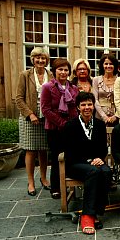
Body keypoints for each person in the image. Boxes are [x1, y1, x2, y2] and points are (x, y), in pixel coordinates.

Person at [63, 92, 111, 235]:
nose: (87, 107)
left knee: (106, 171)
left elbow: (103, 148)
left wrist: (99, 158)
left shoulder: (100, 125)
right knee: (94, 171)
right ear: (78, 107)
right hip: (76, 164)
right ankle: (87, 216)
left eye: (89, 104)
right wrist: (90, 161)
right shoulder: (70, 125)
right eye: (83, 105)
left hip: (95, 162)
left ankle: (96, 211)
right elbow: (69, 152)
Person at [15, 47, 53, 196]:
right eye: (37, 58)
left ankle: (44, 178)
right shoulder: (25, 75)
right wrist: (30, 114)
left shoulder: (50, 75)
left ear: (46, 60)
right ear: (32, 59)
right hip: (29, 118)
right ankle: (31, 182)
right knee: (30, 150)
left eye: (43, 58)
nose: (40, 60)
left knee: (43, 150)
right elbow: (19, 98)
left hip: (46, 117)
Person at [41, 58, 79, 199]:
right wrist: (63, 123)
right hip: (54, 129)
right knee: (57, 158)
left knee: (71, 156)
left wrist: (73, 124)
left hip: (71, 129)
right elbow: (45, 109)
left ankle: (69, 184)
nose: (63, 72)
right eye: (60, 69)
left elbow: (75, 108)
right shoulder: (47, 87)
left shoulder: (73, 88)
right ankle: (56, 187)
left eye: (65, 70)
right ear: (54, 71)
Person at [92, 54, 119, 126]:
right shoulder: (96, 80)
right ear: (102, 65)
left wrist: (116, 116)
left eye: (111, 64)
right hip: (99, 117)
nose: (108, 66)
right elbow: (95, 100)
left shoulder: (119, 80)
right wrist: (104, 117)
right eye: (106, 64)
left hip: (116, 118)